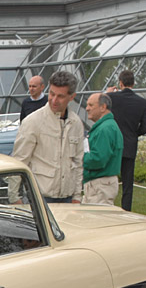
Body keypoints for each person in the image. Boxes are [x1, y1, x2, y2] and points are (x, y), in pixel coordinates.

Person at [12, 71, 84, 203]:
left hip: (68, 199)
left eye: (60, 96)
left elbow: (78, 162)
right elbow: (19, 160)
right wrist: (14, 197)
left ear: (72, 97)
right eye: (52, 94)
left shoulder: (76, 123)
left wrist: (77, 197)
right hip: (39, 199)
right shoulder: (33, 122)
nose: (54, 100)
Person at [107, 70, 146, 211]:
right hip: (130, 144)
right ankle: (126, 209)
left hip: (112, 145)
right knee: (127, 183)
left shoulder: (111, 98)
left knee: (107, 179)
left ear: (120, 82)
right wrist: (133, 134)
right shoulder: (142, 102)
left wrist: (106, 94)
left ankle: (106, 206)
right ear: (133, 83)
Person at [82, 92, 123, 206]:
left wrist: (79, 157)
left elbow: (98, 159)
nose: (87, 108)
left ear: (103, 107)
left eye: (91, 105)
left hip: (100, 186)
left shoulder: (105, 129)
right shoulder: (107, 126)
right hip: (101, 185)